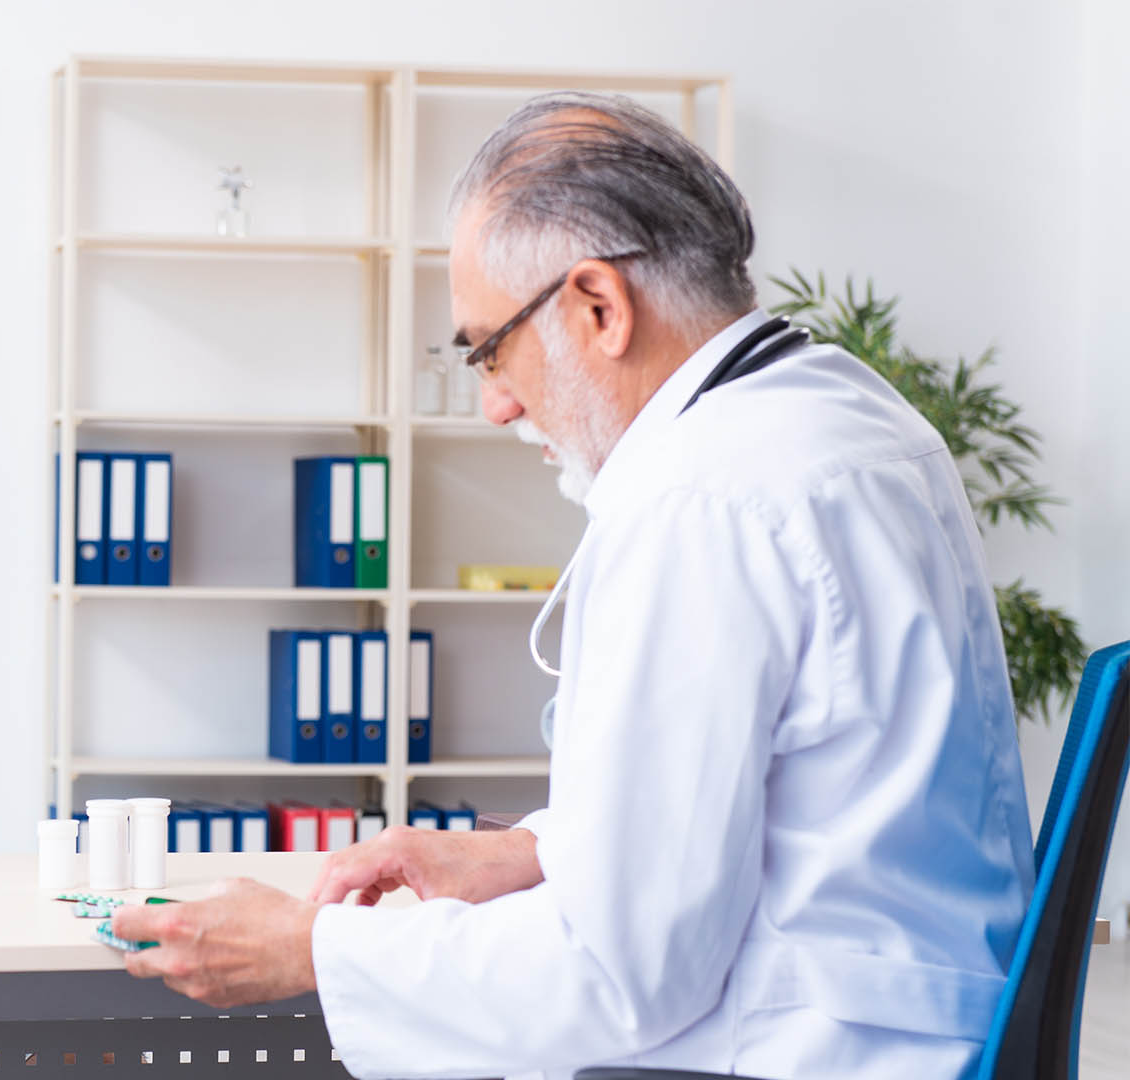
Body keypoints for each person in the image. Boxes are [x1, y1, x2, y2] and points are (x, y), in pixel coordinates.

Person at [114, 92, 1033, 1079]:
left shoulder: (699, 501)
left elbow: (619, 977)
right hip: (917, 1025)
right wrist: (534, 851)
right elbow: (804, 785)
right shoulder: (855, 418)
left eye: (489, 348)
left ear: (600, 305)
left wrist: (313, 950)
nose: (495, 405)